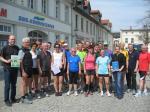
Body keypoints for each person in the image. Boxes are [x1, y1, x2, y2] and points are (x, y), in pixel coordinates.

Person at [0, 35, 19, 106]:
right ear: (8, 40)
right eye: (11, 39)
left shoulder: (17, 47)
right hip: (7, 68)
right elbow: (0, 57)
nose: (13, 40)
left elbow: (18, 57)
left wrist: (19, 60)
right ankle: (6, 100)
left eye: (14, 39)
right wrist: (6, 61)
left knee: (14, 85)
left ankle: (13, 98)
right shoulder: (5, 48)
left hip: (15, 68)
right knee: (7, 85)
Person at [19, 37, 33, 104]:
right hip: (24, 70)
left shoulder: (27, 50)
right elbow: (20, 62)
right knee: (23, 84)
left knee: (27, 83)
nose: (28, 43)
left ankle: (26, 94)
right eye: (27, 42)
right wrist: (23, 71)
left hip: (29, 69)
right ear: (23, 43)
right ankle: (22, 98)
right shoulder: (21, 51)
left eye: (28, 42)